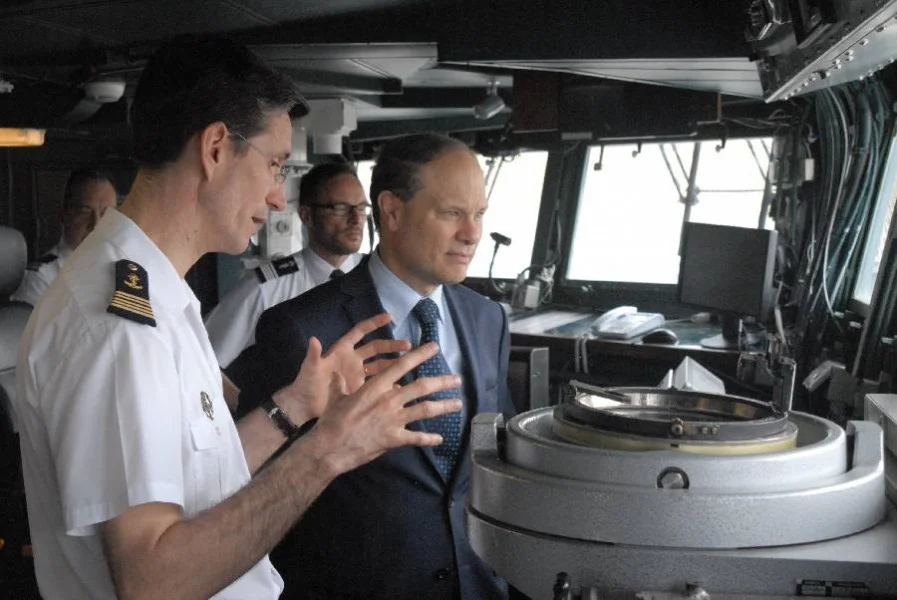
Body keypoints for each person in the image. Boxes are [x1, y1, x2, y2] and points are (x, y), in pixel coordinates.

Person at [13, 37, 462, 600]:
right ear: (216, 148)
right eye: (274, 165)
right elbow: (153, 580)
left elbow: (200, 481)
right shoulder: (120, 324)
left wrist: (295, 407)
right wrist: (329, 451)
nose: (277, 197)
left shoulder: (158, 296)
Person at [235, 133, 515, 599]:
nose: (472, 233)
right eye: (451, 213)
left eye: (479, 214)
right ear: (392, 210)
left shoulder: (489, 320)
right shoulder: (302, 329)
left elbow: (495, 455)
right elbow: (253, 491)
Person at [205, 162, 367, 368]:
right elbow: (205, 362)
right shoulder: (265, 290)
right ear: (307, 215)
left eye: (361, 208)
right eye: (340, 208)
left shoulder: (376, 277)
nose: (356, 219)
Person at [12, 168, 117, 305]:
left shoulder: (126, 271)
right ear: (63, 214)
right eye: (84, 211)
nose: (96, 224)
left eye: (107, 214)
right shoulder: (42, 279)